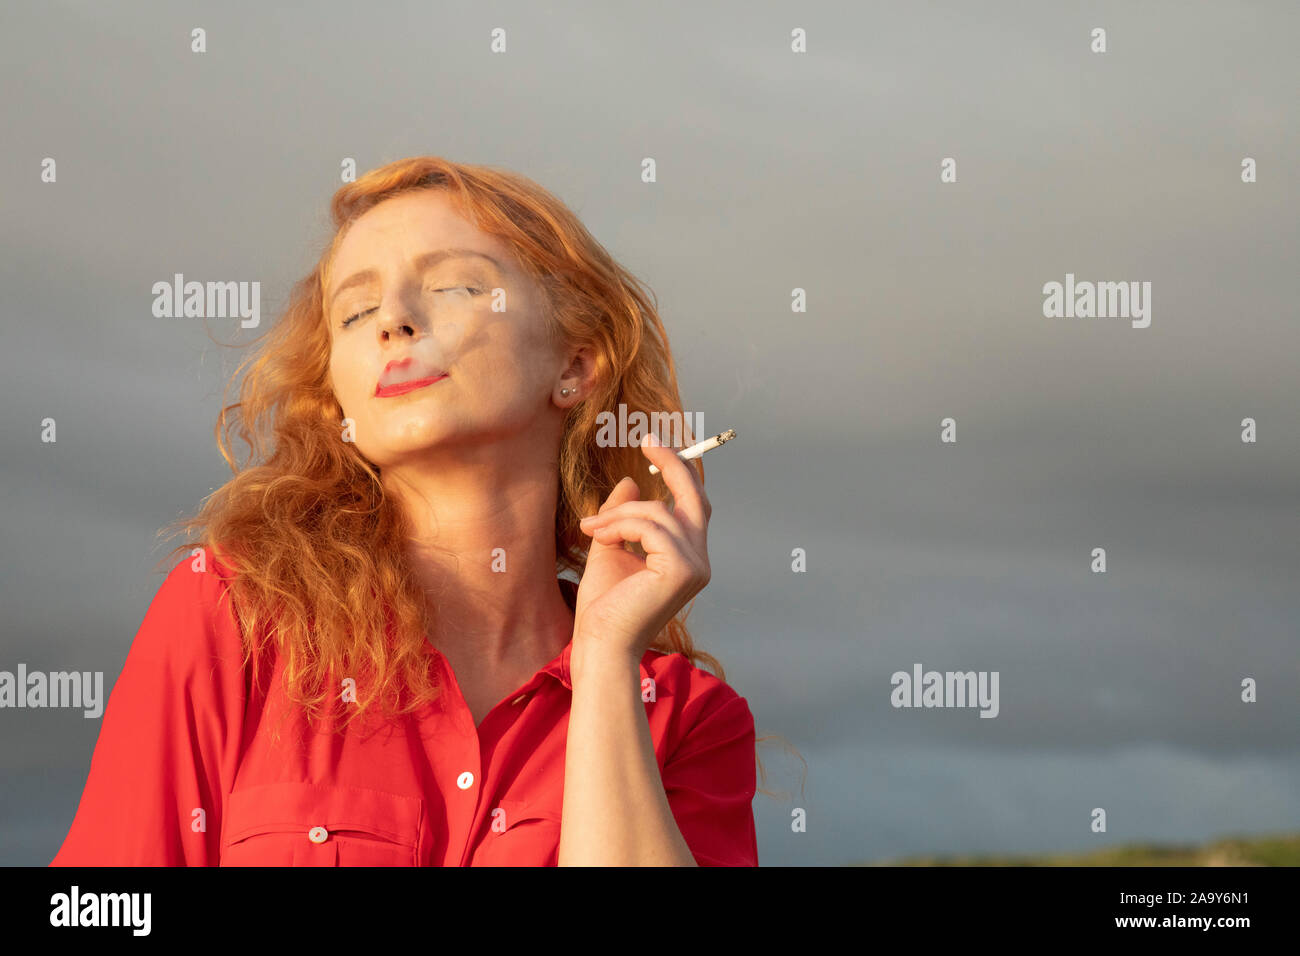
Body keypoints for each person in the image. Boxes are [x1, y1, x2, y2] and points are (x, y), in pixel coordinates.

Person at [49, 156, 759, 866]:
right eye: (355, 312)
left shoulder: (689, 721)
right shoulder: (232, 616)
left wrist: (605, 663)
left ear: (574, 366)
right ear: (337, 401)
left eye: (455, 285)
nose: (391, 321)